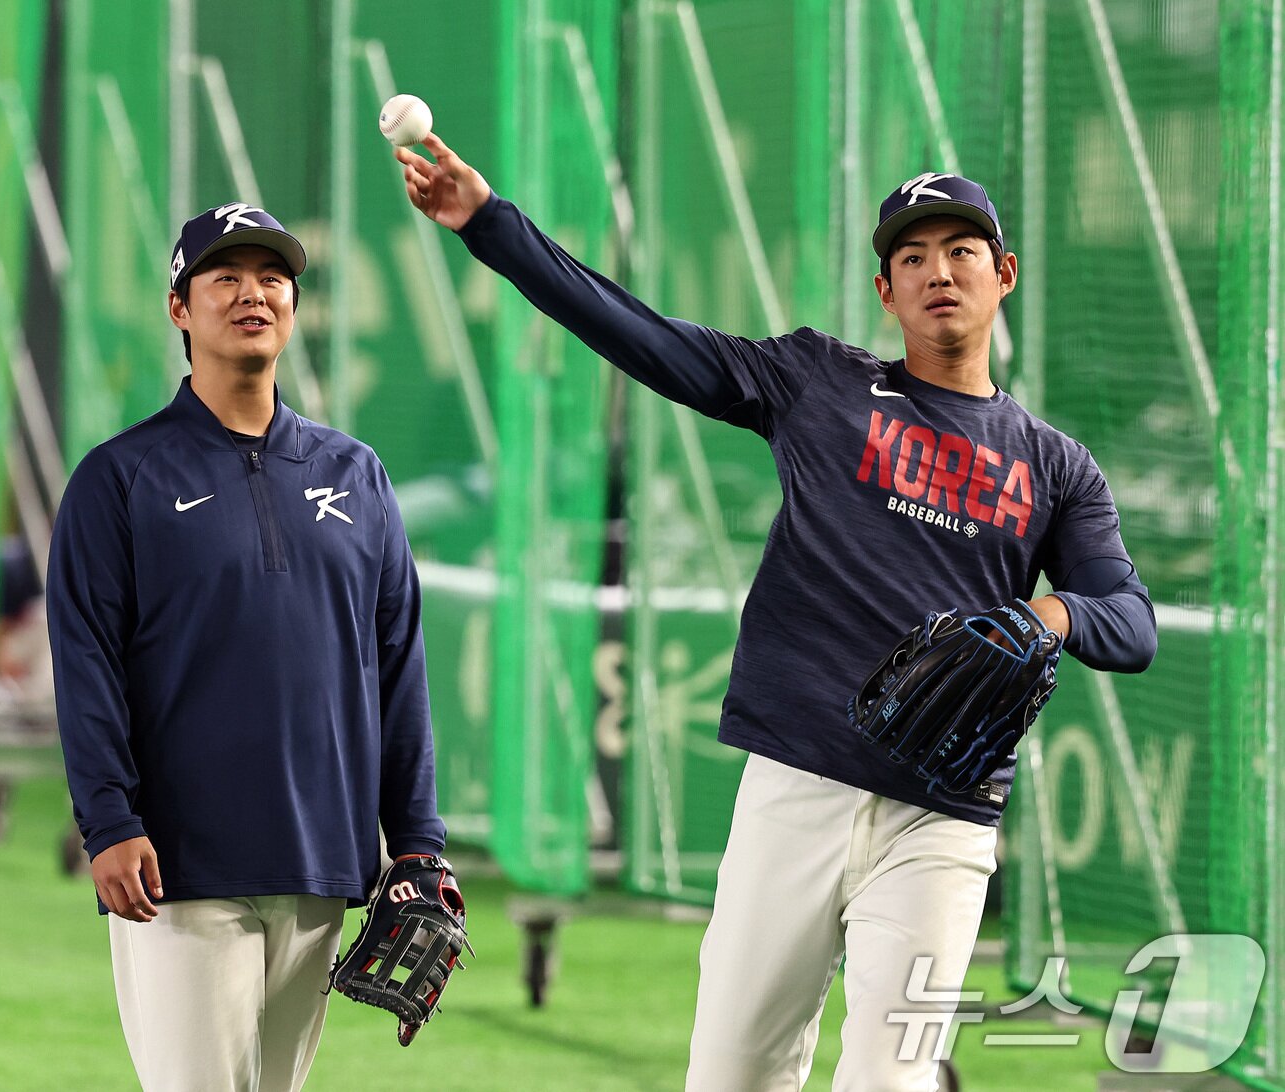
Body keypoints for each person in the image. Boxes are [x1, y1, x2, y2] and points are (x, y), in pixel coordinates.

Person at [395, 140, 1156, 1090]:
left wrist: (1052, 616)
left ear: (1003, 273)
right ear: (886, 292)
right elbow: (645, 337)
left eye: (960, 250)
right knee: (733, 1074)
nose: (937, 272)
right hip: (797, 784)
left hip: (944, 817)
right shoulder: (820, 384)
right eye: (911, 258)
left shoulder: (1056, 466)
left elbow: (1131, 621)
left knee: (893, 1079)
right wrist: (489, 225)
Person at [47, 203, 449, 1092]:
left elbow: (398, 663)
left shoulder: (356, 472)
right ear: (180, 309)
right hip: (179, 861)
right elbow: (85, 661)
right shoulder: (121, 477)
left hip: (318, 857)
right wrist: (109, 819)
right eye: (224, 278)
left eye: (272, 278)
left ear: (295, 307)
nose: (252, 295)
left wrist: (415, 841)